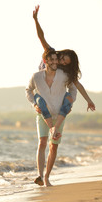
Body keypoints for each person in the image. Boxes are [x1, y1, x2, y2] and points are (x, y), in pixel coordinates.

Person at [33, 5, 96, 140]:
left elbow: (77, 85)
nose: (60, 62)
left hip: (54, 97)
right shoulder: (52, 54)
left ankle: (54, 129)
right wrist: (36, 20)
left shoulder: (63, 70)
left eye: (65, 63)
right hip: (43, 92)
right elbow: (41, 37)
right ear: (61, 53)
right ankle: (52, 129)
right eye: (62, 58)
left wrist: (89, 101)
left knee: (67, 98)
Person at [26, 49, 77, 187]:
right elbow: (29, 90)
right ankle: (40, 176)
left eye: (56, 59)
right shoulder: (36, 76)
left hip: (59, 115)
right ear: (45, 61)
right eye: (52, 60)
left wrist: (70, 101)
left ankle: (47, 177)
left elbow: (73, 89)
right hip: (42, 114)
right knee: (42, 142)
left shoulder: (64, 75)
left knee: (53, 146)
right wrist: (34, 103)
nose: (55, 62)